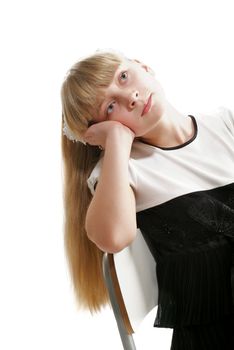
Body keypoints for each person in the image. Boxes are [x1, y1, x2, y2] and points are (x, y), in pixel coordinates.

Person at [61, 49, 234, 349]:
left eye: (123, 77)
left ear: (143, 66)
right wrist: (117, 140)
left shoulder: (227, 125)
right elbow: (113, 237)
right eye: (111, 107)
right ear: (97, 133)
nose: (131, 97)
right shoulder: (123, 170)